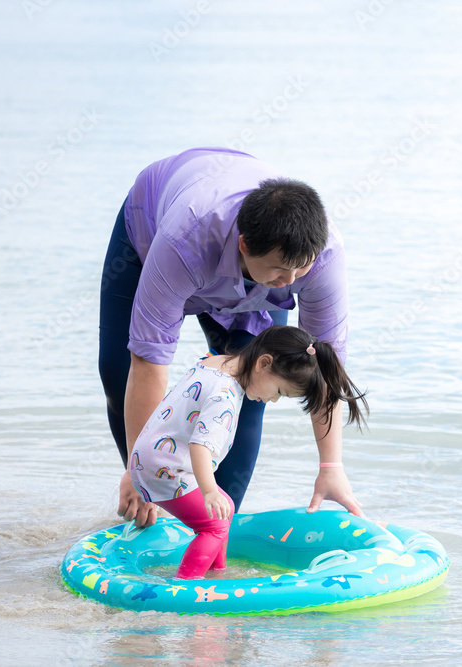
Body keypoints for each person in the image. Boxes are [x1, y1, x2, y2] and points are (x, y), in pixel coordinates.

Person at [98, 147, 360, 530]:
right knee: (117, 367)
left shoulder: (321, 259)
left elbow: (325, 370)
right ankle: (146, 498)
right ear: (244, 246)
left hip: (248, 273)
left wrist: (331, 467)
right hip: (153, 228)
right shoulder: (183, 241)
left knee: (252, 389)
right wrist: (139, 471)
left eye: (300, 269)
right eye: (280, 270)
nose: (290, 282)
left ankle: (213, 524)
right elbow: (150, 361)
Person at [124, 325, 367, 579]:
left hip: (149, 458)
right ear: (264, 363)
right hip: (166, 469)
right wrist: (208, 492)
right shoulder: (224, 396)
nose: (273, 400)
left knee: (225, 507)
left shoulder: (214, 363)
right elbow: (200, 446)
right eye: (280, 392)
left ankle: (217, 571)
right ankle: (184, 585)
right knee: (214, 525)